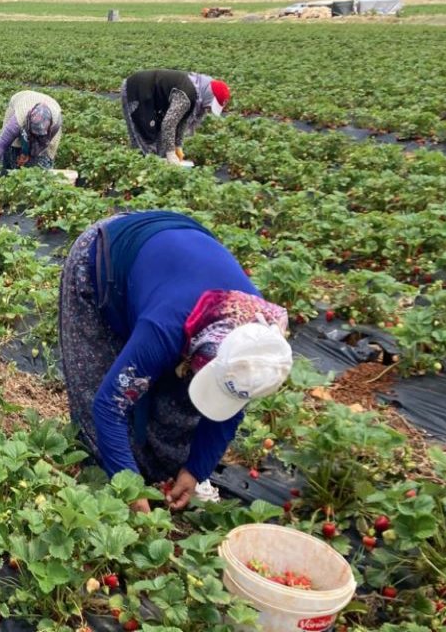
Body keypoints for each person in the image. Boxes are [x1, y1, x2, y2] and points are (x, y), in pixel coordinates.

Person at [58, 210, 293, 512]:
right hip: (107, 253)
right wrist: (128, 485)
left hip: (172, 255)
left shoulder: (256, 339)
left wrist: (196, 469)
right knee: (97, 376)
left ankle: (155, 464)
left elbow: (232, 403)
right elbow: (108, 404)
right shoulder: (165, 328)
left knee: (181, 399)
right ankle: (99, 470)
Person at [121, 69, 229, 165]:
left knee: (160, 146)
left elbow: (181, 121)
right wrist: (171, 153)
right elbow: (169, 123)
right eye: (210, 105)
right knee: (145, 140)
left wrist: (178, 146)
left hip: (152, 97)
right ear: (209, 95)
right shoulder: (187, 95)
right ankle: (140, 173)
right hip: (137, 89)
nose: (208, 109)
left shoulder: (197, 93)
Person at [0, 90, 63, 175]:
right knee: (13, 145)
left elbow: (43, 144)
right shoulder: (17, 120)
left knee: (45, 155)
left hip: (51, 105)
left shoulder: (56, 123)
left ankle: (38, 174)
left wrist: (28, 154)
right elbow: (2, 143)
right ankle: (8, 171)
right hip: (22, 100)